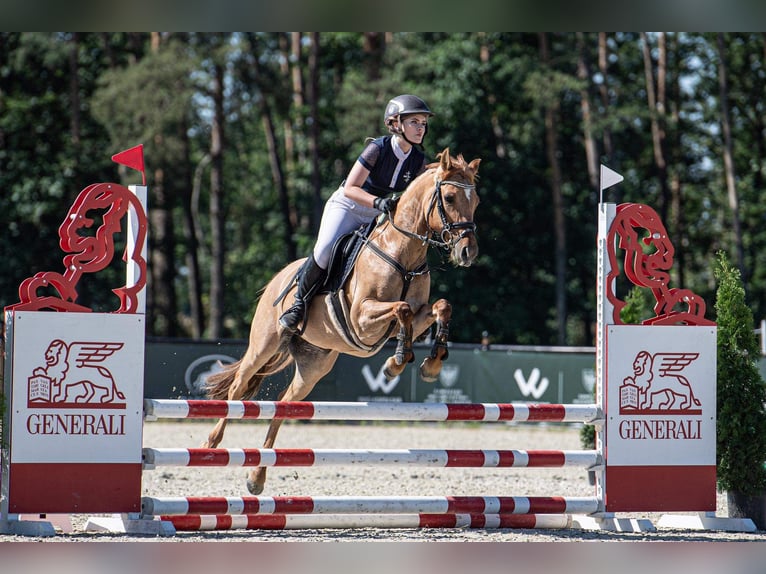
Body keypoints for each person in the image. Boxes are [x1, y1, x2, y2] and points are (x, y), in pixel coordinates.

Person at [279, 94, 434, 332]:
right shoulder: (377, 148)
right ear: (395, 124)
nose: (420, 128)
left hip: (376, 214)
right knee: (324, 250)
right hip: (348, 206)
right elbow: (351, 188)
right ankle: (298, 305)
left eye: (423, 123)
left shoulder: (417, 160)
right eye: (414, 122)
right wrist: (378, 203)